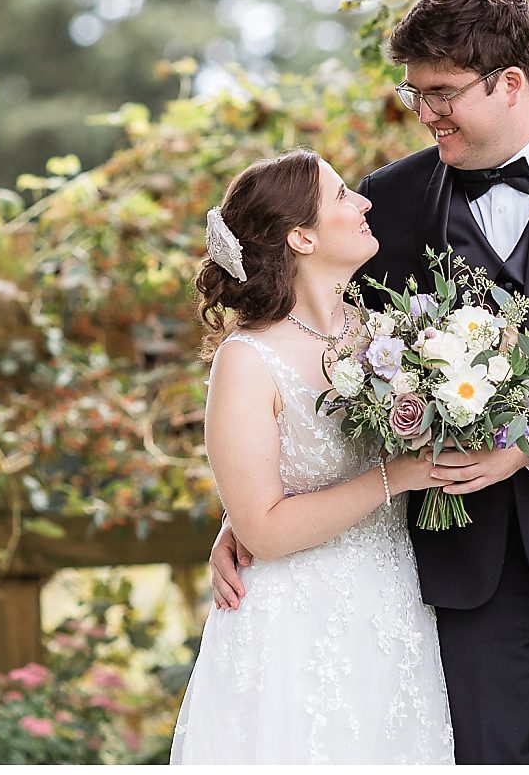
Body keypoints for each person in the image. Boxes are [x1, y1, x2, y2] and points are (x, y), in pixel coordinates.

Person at [211, 0, 529, 763]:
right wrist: (249, 516)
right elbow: (326, 358)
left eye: (441, 91)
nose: (425, 112)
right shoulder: (391, 202)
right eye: (414, 93)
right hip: (470, 586)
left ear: (509, 82)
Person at [169, 148, 463, 764]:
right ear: (301, 237)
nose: (363, 203)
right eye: (341, 196)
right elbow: (265, 529)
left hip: (393, 610)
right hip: (294, 625)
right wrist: (395, 476)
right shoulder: (248, 360)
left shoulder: (385, 334)